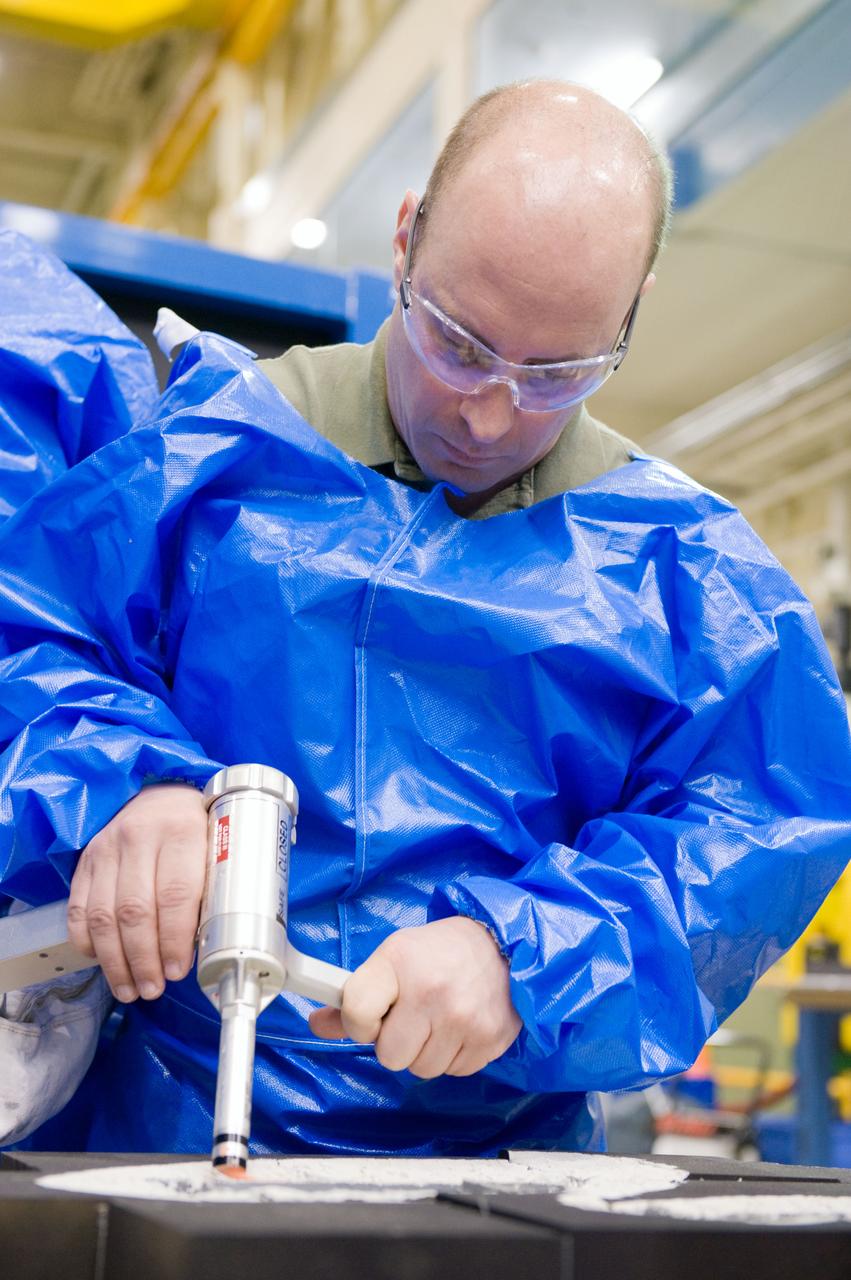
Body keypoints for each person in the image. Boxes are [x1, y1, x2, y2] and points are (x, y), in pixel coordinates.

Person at [0, 80, 849, 1155]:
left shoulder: (689, 582)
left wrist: (529, 955)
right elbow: (35, 629)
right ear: (404, 238)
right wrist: (130, 782)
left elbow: (755, 827)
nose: (488, 415)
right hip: (157, 1124)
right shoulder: (207, 455)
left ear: (630, 316)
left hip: (500, 1171)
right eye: (459, 342)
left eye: (556, 374)